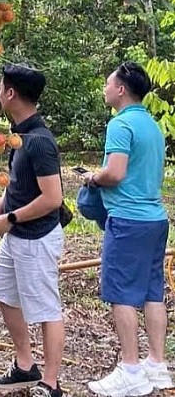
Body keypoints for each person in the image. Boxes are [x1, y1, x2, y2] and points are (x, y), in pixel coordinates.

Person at [83, 62, 171, 397]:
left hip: (128, 219)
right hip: (155, 218)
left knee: (120, 293)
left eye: (108, 83)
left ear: (121, 89)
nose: (105, 88)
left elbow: (116, 173)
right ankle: (157, 364)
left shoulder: (120, 125)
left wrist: (93, 176)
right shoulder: (151, 125)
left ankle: (131, 369)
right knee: (151, 291)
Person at [0, 64, 65, 397]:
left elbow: (53, 198)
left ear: (11, 93)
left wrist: (11, 218)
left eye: (1, 87)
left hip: (37, 237)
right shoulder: (19, 135)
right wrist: (0, 207)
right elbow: (18, 183)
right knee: (4, 294)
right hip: (16, 234)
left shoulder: (39, 142)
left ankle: (50, 382)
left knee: (46, 309)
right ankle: (24, 365)